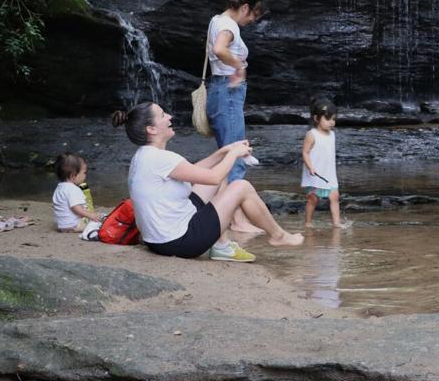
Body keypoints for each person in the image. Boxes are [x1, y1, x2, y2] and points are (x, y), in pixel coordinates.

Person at [112, 102, 303, 262]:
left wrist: (224, 152)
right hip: (179, 241)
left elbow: (196, 172)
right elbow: (213, 177)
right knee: (241, 187)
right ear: (151, 129)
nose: (169, 116)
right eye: (163, 115)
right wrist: (235, 154)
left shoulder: (144, 156)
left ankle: (221, 247)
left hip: (158, 239)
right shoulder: (161, 159)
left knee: (219, 182)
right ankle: (278, 236)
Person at [207, 0, 264, 233]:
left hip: (221, 93)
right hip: (227, 94)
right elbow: (220, 49)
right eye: (254, 15)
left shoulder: (216, 20)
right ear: (245, 8)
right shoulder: (229, 25)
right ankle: (237, 219)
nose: (253, 20)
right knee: (236, 156)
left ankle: (230, 216)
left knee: (230, 155)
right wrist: (239, 66)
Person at [301, 98, 343, 228]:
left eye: (333, 119)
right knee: (313, 199)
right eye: (328, 119)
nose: (331, 122)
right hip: (315, 173)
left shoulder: (332, 135)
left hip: (329, 173)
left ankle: (336, 223)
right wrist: (310, 167)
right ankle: (308, 223)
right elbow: (305, 153)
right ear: (316, 118)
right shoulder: (312, 134)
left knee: (334, 197)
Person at [52, 152, 100, 233]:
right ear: (73, 175)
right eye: (84, 173)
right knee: (98, 223)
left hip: (62, 225)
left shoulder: (59, 188)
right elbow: (76, 208)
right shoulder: (73, 189)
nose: (85, 175)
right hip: (74, 225)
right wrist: (90, 215)